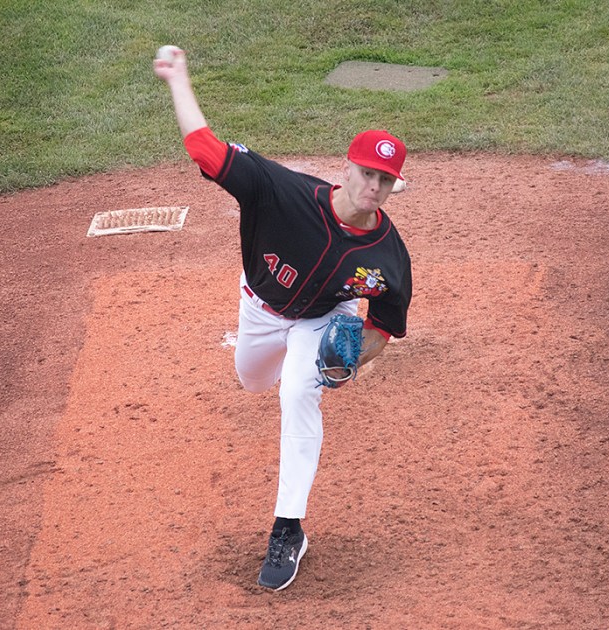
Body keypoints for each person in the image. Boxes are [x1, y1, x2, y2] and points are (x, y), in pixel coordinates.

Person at [153, 47, 412, 591]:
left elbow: (384, 326)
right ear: (347, 168)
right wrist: (178, 78)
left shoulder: (389, 256)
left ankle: (288, 528)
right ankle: (283, 359)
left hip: (324, 316)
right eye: (367, 173)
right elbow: (205, 148)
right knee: (252, 380)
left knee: (298, 391)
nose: (374, 187)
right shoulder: (282, 192)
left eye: (385, 180)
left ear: (394, 186)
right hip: (259, 308)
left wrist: (350, 362)